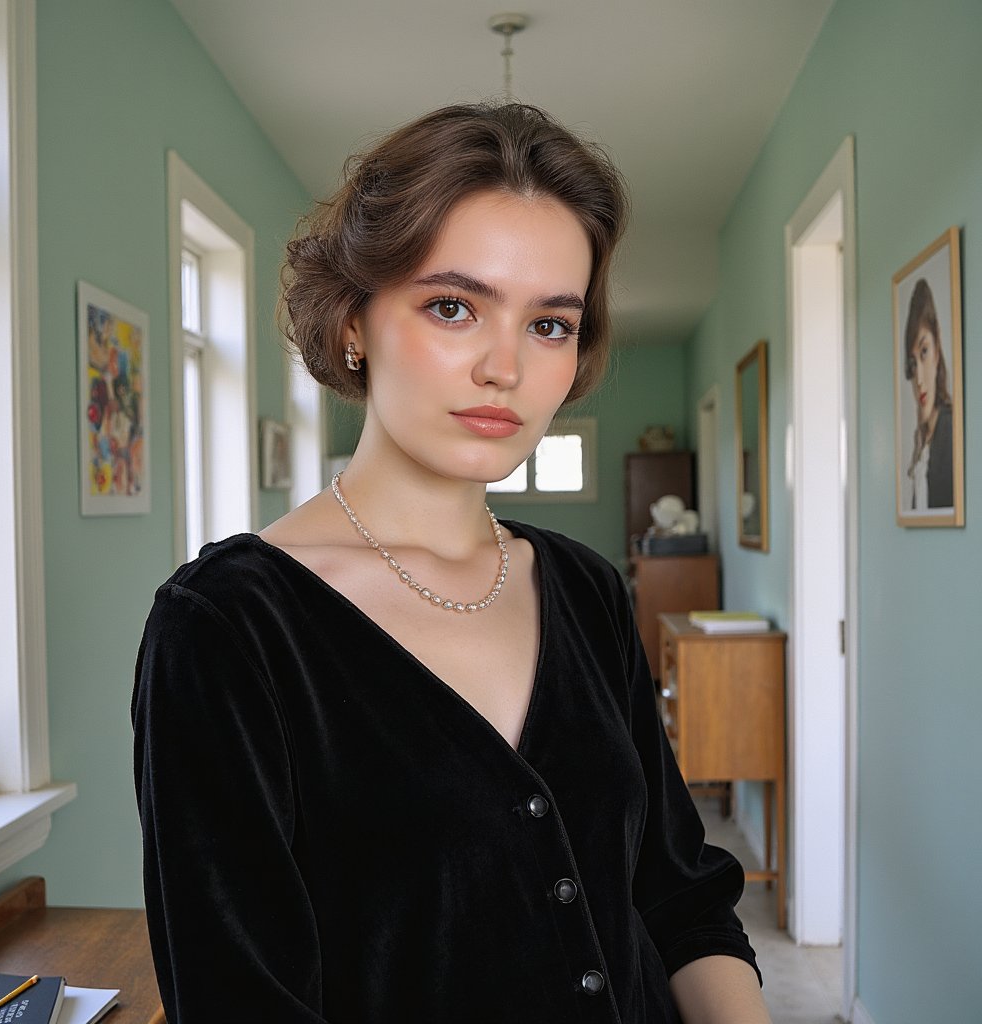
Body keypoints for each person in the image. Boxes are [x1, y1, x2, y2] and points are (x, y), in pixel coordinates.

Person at [133, 102, 770, 1024]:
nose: (503, 367)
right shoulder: (229, 629)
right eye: (452, 307)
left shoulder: (586, 589)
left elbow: (679, 899)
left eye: (550, 324)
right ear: (353, 321)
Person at [904, 277, 953, 509]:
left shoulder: (950, 429)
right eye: (913, 364)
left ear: (937, 349)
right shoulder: (922, 441)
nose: (919, 380)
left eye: (924, 352)